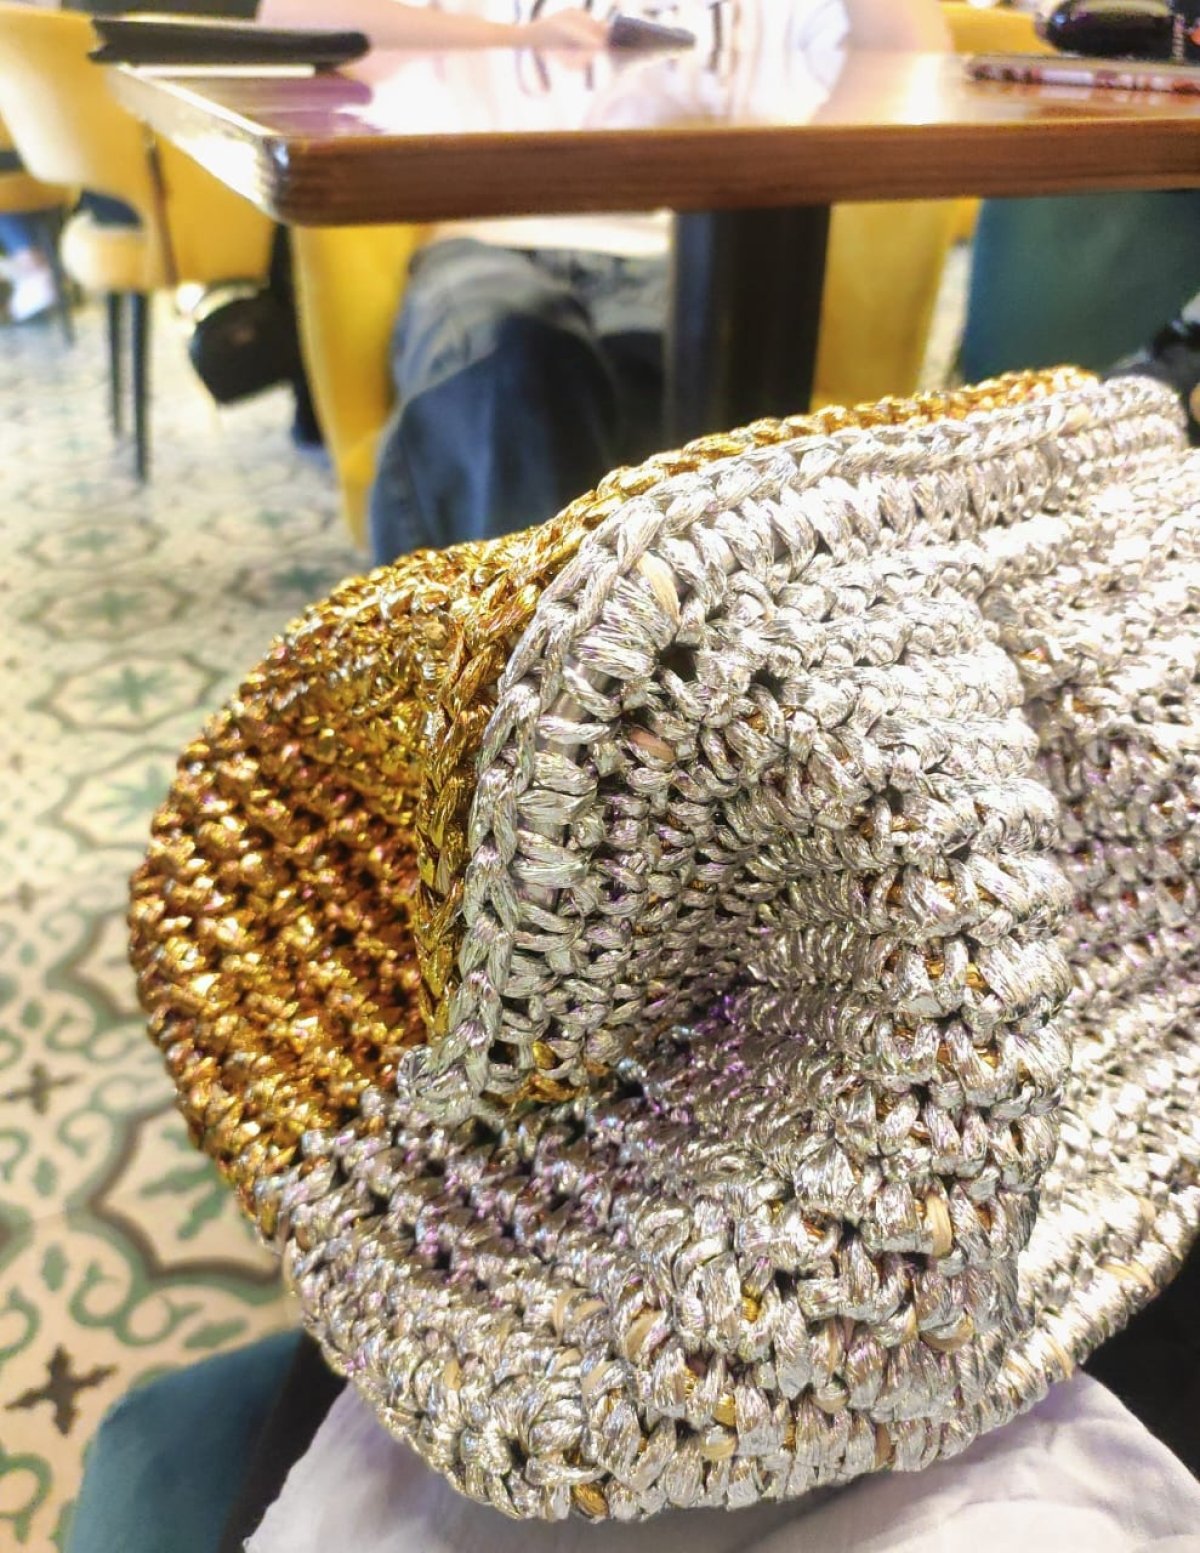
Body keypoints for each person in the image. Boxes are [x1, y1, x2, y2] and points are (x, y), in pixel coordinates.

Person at [259, 0, 950, 565]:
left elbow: (921, 59)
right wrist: (517, 37)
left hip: (692, 251)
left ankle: (553, 673)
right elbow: (291, 20)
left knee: (698, 408)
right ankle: (530, 677)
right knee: (505, 370)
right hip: (488, 239)